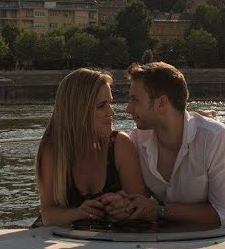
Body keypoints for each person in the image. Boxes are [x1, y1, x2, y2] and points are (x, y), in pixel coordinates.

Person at [106, 61, 225, 229]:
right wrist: (121, 204)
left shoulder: (216, 139)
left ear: (161, 104)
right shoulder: (137, 138)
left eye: (135, 100)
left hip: (207, 246)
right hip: (156, 244)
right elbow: (139, 201)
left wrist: (161, 210)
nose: (128, 109)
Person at [34, 68, 146, 226]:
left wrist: (124, 207)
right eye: (101, 106)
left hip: (111, 242)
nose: (111, 112)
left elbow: (142, 208)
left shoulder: (119, 145)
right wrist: (79, 213)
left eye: (110, 103)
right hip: (59, 241)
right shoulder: (53, 151)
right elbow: (48, 216)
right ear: (78, 110)